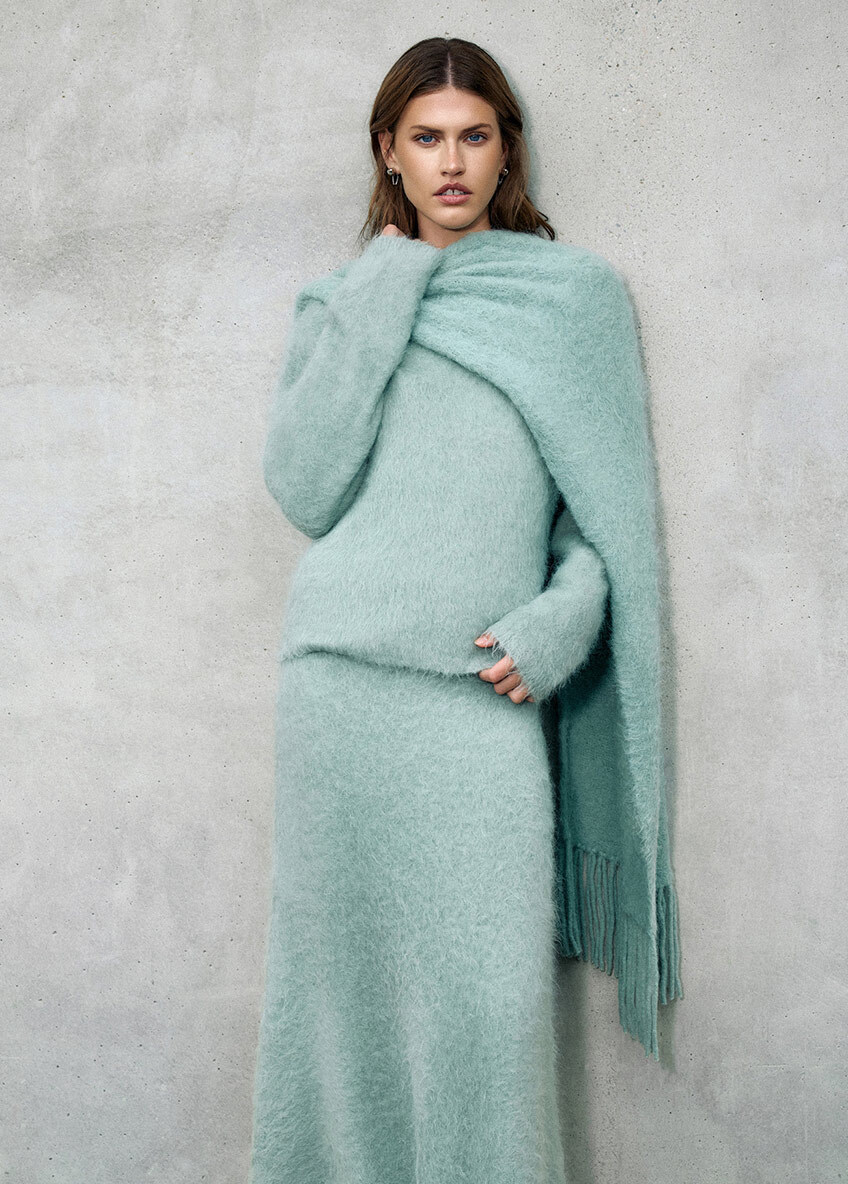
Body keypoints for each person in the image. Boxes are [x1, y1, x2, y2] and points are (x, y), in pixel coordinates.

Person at [248, 36, 638, 1184]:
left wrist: (557, 624)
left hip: (475, 700)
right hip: (338, 690)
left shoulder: (566, 303)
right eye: (426, 138)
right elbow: (305, 487)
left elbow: (604, 525)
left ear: (506, 148)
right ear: (389, 151)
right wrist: (384, 283)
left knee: (485, 1007)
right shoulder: (341, 302)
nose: (451, 162)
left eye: (473, 136)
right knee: (336, 1006)